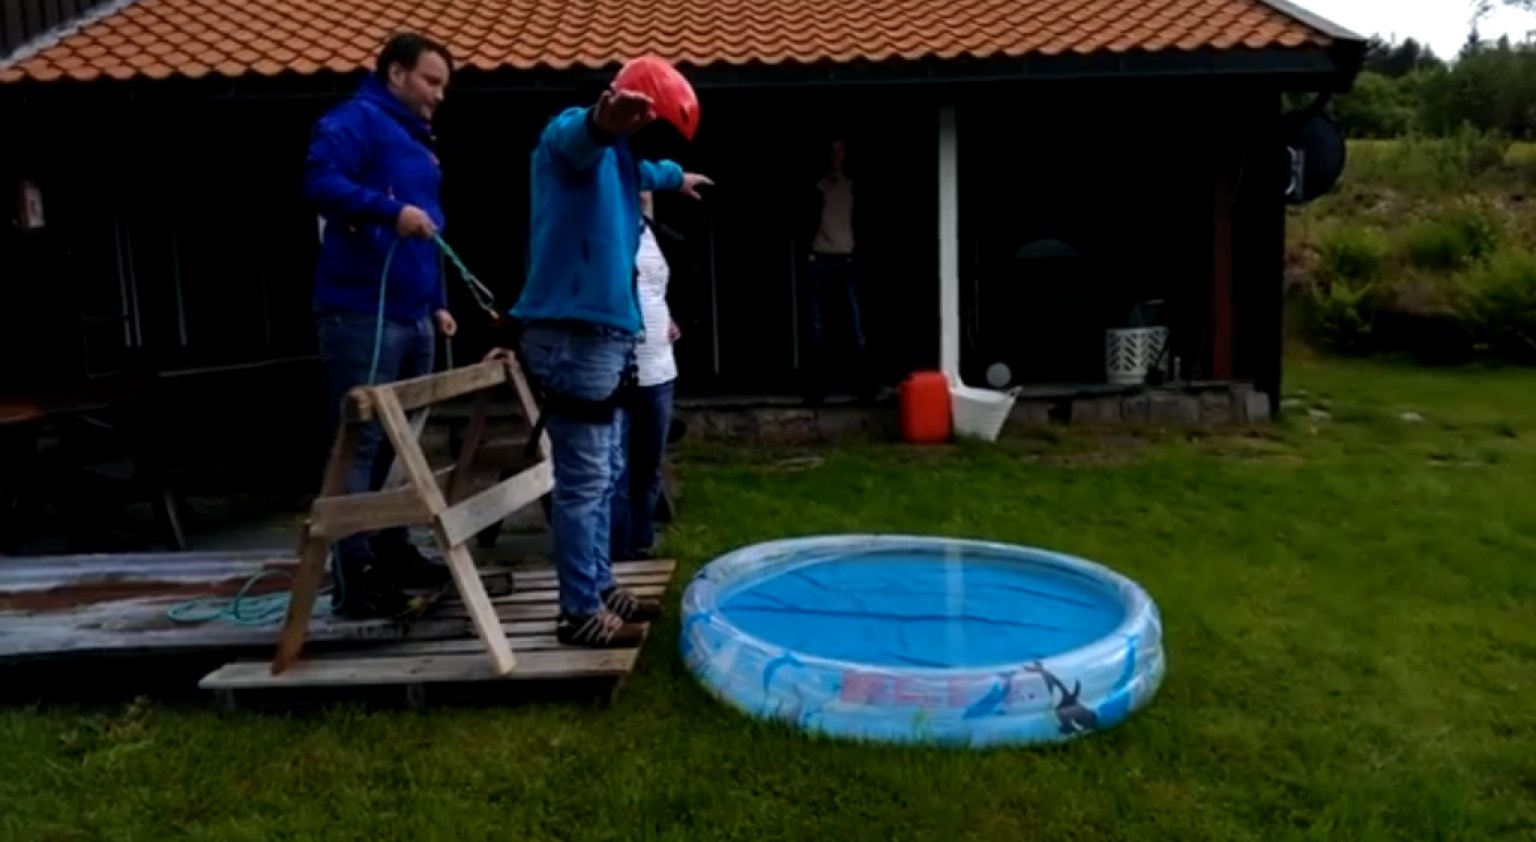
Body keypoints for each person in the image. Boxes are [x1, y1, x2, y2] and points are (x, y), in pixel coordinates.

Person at [503, 59, 712, 648]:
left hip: (602, 338)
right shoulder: (567, 141)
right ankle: (577, 612)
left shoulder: (620, 162)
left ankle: (599, 583)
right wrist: (601, 118)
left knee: (609, 470)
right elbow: (578, 140)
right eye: (630, 116)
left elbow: (647, 168)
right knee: (585, 479)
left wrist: (678, 176)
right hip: (574, 333)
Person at [302, 32, 457, 619]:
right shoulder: (354, 122)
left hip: (414, 314)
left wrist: (438, 300)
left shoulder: (416, 140)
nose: (439, 95)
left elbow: (430, 229)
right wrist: (390, 211)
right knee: (359, 444)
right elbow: (318, 184)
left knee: (403, 443)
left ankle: (394, 551)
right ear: (396, 74)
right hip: (360, 312)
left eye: (444, 85)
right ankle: (355, 573)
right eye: (431, 81)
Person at [610, 191, 688, 563]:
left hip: (659, 366)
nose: (639, 193)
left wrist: (676, 318)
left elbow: (673, 283)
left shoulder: (656, 235)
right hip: (617, 367)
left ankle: (642, 542)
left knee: (647, 463)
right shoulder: (606, 232)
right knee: (617, 465)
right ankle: (617, 550)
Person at [804, 137, 871, 402]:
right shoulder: (817, 185)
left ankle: (862, 387)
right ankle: (816, 389)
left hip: (847, 258)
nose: (836, 156)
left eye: (840, 151)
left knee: (855, 324)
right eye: (831, 151)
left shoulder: (853, 185)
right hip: (818, 258)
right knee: (817, 325)